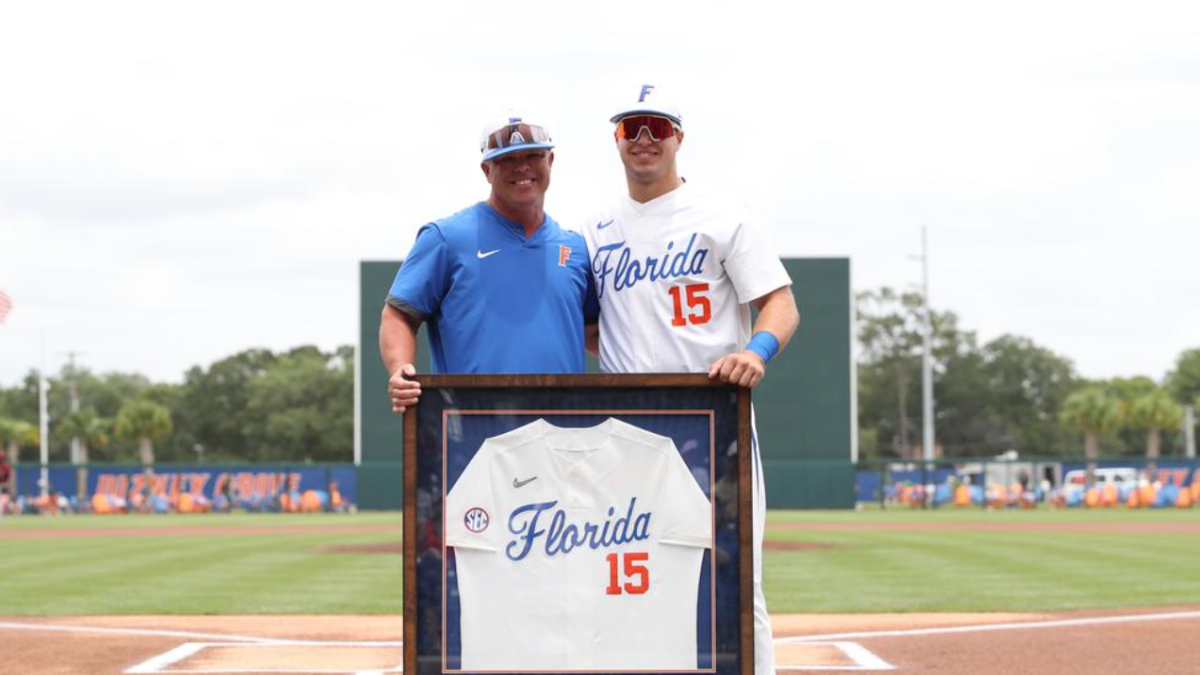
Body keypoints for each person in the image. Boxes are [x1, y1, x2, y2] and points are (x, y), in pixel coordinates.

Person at [582, 84, 801, 675]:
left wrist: (756, 351)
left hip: (712, 419)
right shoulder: (594, 229)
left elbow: (780, 303)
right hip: (627, 426)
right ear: (617, 139)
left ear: (679, 136)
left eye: (657, 126)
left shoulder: (723, 214)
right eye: (632, 128)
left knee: (732, 573)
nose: (645, 139)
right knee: (627, 570)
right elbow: (587, 326)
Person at [380, 115, 597, 412]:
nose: (522, 167)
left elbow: (595, 334)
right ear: (487, 170)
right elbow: (397, 316)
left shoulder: (576, 248)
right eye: (507, 159)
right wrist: (400, 369)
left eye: (533, 155)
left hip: (563, 431)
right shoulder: (447, 238)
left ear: (551, 160)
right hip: (474, 429)